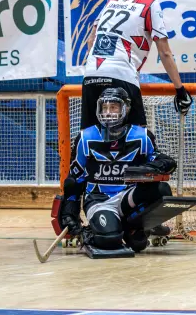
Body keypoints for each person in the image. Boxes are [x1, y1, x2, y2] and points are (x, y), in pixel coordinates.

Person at [59, 87, 177, 253]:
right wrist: (69, 212)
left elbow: (164, 162)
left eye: (113, 107)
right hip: (99, 199)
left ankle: (136, 226)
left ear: (126, 108)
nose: (108, 112)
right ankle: (96, 231)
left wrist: (156, 166)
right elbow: (75, 180)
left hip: (127, 198)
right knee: (109, 240)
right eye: (104, 108)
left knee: (162, 190)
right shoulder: (85, 137)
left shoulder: (142, 136)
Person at [81, 0, 192, 130]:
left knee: (90, 136)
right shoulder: (150, 5)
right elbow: (165, 52)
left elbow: (91, 40)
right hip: (122, 74)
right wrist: (179, 89)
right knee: (135, 136)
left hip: (92, 74)